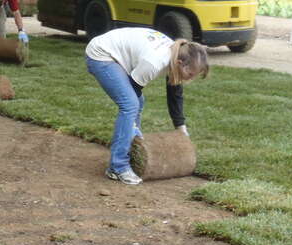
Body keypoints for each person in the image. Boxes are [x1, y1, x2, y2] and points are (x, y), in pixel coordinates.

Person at [85, 27, 208, 185]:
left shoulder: (178, 54)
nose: (191, 79)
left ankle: (131, 150)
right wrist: (133, 126)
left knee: (136, 102)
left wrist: (181, 127)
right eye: (190, 74)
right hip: (101, 54)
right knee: (130, 104)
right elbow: (133, 90)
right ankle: (118, 166)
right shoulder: (154, 62)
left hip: (116, 52)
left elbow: (175, 94)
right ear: (179, 64)